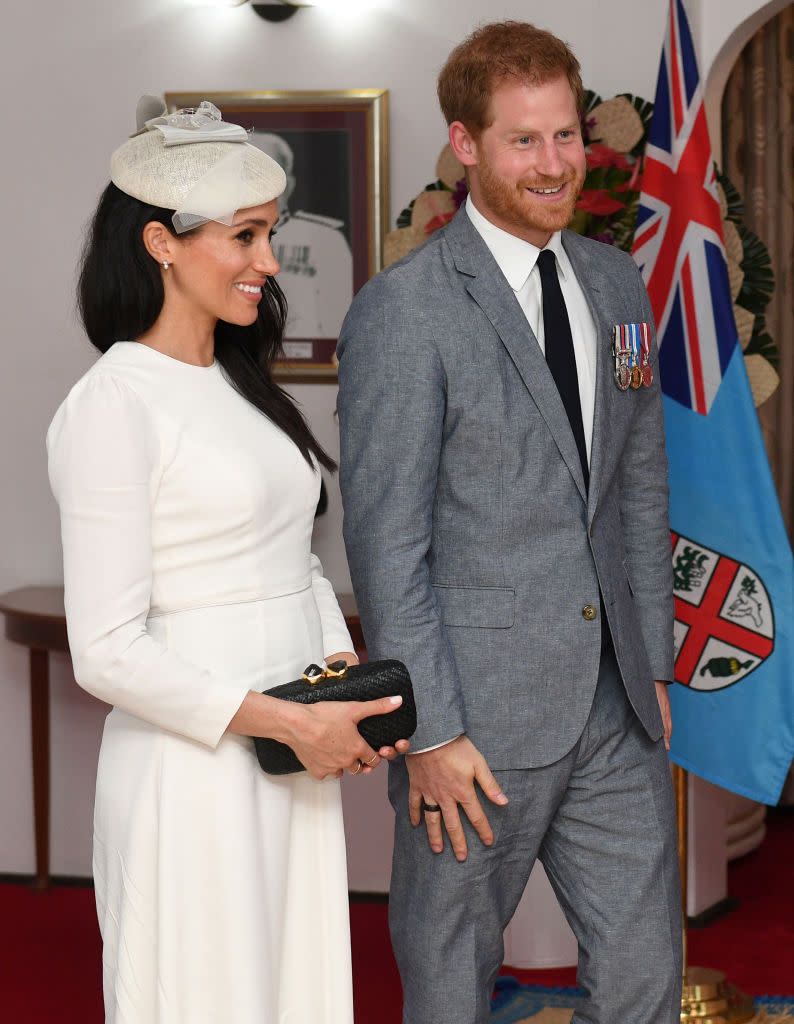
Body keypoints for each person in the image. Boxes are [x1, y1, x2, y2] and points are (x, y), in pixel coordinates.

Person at [337, 22, 682, 1024]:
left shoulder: (615, 283)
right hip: (472, 726)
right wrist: (429, 727)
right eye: (522, 140)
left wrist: (651, 660)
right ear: (465, 144)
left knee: (642, 973)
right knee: (449, 978)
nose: (551, 163)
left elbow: (635, 481)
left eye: (565, 136)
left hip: (616, 703)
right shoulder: (404, 312)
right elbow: (386, 539)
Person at [47, 98, 408, 1023]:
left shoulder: (244, 386)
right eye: (246, 237)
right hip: (190, 781)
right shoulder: (112, 405)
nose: (269, 262)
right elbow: (108, 651)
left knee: (295, 994)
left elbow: (297, 565)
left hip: (290, 760)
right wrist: (285, 722)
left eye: (271, 234)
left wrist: (337, 688)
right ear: (162, 242)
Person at [252, 131, 353, 340]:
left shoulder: (327, 239)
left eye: (271, 175)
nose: (260, 185)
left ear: (290, 184)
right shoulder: (221, 241)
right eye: (251, 174)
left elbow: (340, 318)